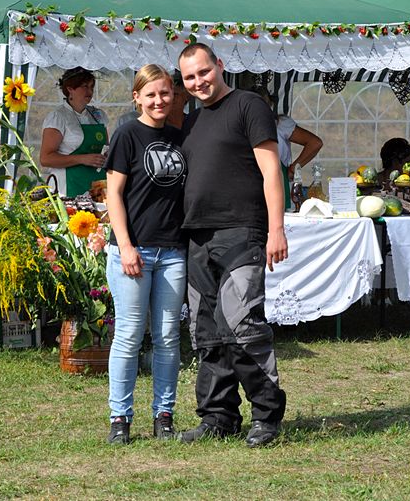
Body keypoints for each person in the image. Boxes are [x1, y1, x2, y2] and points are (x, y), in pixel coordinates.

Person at [177, 43, 288, 448]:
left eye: (204, 72)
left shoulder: (248, 106)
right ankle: (218, 417)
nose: (198, 82)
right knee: (205, 332)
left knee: (242, 326)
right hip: (197, 236)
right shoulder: (192, 121)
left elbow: (271, 170)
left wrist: (276, 228)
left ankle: (266, 416)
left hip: (242, 230)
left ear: (220, 66)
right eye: (190, 77)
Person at [104, 64, 188, 445]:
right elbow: (113, 194)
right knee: (130, 334)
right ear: (136, 97)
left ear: (174, 96)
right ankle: (120, 418)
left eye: (165, 93)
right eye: (151, 94)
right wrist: (125, 246)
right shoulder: (126, 135)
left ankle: (164, 415)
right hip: (133, 251)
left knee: (168, 336)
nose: (159, 100)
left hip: (172, 251)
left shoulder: (180, 138)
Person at [40, 67, 109, 197]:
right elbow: (46, 158)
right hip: (67, 186)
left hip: (97, 184)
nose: (90, 91)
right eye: (84, 86)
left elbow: (106, 147)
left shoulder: (98, 115)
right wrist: (83, 159)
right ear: (70, 89)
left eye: (91, 87)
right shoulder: (58, 116)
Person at [252, 86, 323, 209]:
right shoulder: (240, 126)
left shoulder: (280, 124)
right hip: (252, 184)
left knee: (279, 213)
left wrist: (293, 168)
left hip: (279, 182)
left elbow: (315, 143)